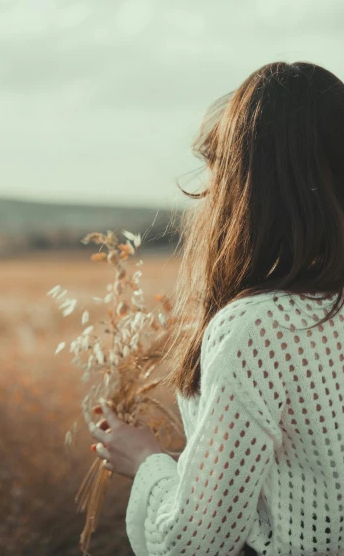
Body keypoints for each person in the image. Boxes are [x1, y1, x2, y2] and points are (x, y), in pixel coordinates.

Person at [89, 62, 344, 556]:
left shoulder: (259, 327)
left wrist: (147, 461)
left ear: (244, 189)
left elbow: (196, 544)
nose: (204, 199)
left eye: (215, 172)